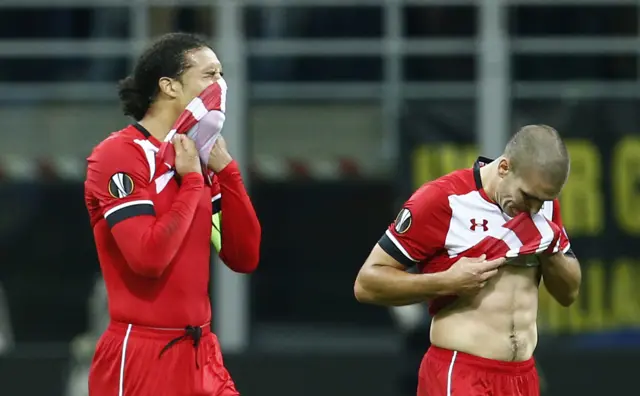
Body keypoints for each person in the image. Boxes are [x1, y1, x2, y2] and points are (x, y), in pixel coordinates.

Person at [84, 32, 261, 396]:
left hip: (202, 351)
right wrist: (193, 180)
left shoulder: (198, 159)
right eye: (210, 75)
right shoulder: (119, 154)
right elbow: (148, 258)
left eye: (222, 74)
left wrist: (226, 172)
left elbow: (242, 256)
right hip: (141, 355)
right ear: (169, 86)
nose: (221, 86)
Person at [354, 125, 581, 396]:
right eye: (528, 197)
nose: (533, 208)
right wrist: (447, 281)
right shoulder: (445, 200)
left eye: (544, 200)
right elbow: (366, 284)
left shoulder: (543, 204)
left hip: (521, 377)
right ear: (504, 167)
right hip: (461, 372)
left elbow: (569, 293)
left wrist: (550, 248)